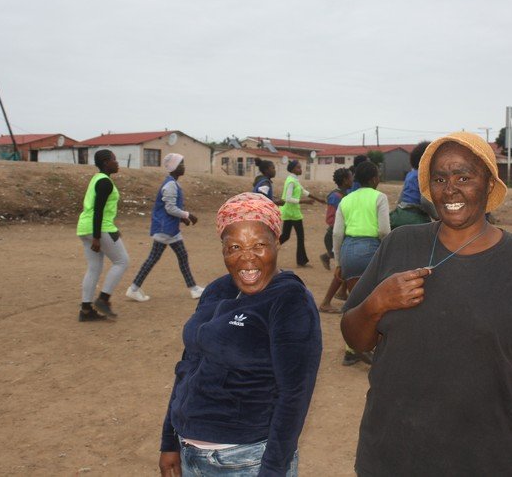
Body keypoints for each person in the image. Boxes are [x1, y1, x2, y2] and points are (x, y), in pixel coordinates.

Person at [341, 132, 512, 476]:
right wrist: (376, 303)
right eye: (440, 179)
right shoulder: (400, 245)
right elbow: (354, 337)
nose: (450, 189)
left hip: (494, 462)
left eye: (464, 177)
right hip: (394, 458)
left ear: (488, 183)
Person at [158, 192, 322, 477]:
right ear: (223, 250)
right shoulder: (216, 290)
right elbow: (188, 366)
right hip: (190, 456)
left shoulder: (289, 300)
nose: (247, 258)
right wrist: (169, 441)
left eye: (260, 245)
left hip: (248, 460)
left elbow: (294, 395)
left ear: (278, 242)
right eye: (234, 247)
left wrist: (271, 471)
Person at [125, 154, 205, 302]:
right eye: (181, 164)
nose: (184, 167)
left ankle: (193, 289)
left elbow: (170, 209)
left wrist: (183, 219)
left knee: (180, 256)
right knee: (154, 258)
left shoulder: (172, 183)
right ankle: (134, 289)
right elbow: (170, 208)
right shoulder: (170, 185)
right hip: (165, 229)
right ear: (174, 167)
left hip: (169, 229)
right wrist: (188, 215)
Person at [333, 162, 390, 366]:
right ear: (374, 179)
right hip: (370, 250)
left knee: (354, 302)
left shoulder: (346, 199)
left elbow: (337, 232)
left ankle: (351, 350)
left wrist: (338, 260)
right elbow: (384, 230)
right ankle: (368, 346)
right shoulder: (379, 198)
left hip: (348, 250)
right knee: (374, 302)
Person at [76, 150, 129, 321]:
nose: (117, 162)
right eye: (114, 159)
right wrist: (97, 237)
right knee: (122, 261)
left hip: (85, 227)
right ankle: (103, 300)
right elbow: (98, 211)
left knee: (94, 268)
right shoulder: (105, 183)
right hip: (98, 228)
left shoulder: (96, 178)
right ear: (106, 162)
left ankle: (86, 310)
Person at [318, 168, 353, 313]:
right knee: (342, 269)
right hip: (334, 235)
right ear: (345, 180)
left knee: (347, 266)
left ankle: (342, 292)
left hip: (342, 234)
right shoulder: (335, 197)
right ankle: (325, 302)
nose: (353, 180)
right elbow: (330, 219)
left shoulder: (346, 195)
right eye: (351, 177)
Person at [279, 160, 325, 267]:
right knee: (300, 237)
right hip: (293, 213)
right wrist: (305, 202)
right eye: (298, 168)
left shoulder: (293, 180)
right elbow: (288, 198)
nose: (301, 169)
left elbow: (304, 191)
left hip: (289, 212)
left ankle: (270, 249)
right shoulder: (291, 181)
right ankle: (301, 261)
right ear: (293, 169)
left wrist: (318, 199)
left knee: (285, 236)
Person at [390, 141, 438, 229]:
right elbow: (425, 201)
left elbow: (401, 197)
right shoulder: (424, 176)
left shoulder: (410, 175)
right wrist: (438, 217)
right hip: (416, 217)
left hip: (400, 213)